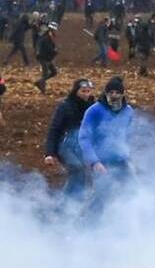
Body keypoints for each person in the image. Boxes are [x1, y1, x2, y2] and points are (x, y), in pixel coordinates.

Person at [78, 76, 135, 206]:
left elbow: (127, 135)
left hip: (121, 159)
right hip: (101, 160)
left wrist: (129, 156)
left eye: (117, 93)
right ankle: (84, 223)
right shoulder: (94, 110)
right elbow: (84, 137)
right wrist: (94, 161)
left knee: (133, 191)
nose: (114, 96)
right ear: (105, 93)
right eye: (110, 92)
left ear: (122, 94)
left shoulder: (128, 111)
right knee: (101, 196)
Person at [43, 78, 95, 198]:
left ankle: (76, 202)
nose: (86, 94)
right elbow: (54, 129)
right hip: (65, 146)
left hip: (82, 146)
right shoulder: (65, 107)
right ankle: (65, 204)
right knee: (77, 170)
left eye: (88, 91)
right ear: (76, 91)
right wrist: (49, 153)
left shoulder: (93, 107)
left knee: (85, 174)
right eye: (83, 91)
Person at [34, 22, 58, 94]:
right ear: (51, 29)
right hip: (44, 58)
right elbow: (47, 48)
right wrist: (54, 51)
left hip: (48, 58)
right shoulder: (45, 37)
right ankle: (42, 90)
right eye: (54, 29)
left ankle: (39, 82)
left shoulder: (49, 36)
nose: (55, 31)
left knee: (54, 72)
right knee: (45, 74)